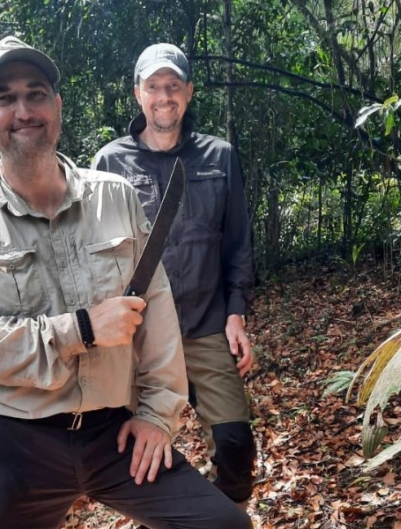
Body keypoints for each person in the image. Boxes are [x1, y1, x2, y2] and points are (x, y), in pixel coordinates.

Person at [0, 36, 252, 529]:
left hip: (113, 433)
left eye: (36, 93)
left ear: (57, 107)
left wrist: (157, 415)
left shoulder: (114, 196)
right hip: (14, 440)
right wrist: (80, 328)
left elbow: (158, 310)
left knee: (223, 524)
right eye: (5, 98)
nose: (23, 110)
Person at [92, 43, 256, 510]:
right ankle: (180, 517)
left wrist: (237, 313)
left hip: (205, 324)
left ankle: (223, 512)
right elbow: (97, 254)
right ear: (137, 94)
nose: (164, 96)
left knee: (236, 448)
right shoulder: (109, 163)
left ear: (188, 92)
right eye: (153, 87)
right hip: (140, 334)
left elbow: (237, 242)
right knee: (139, 454)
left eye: (173, 86)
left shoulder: (219, 157)